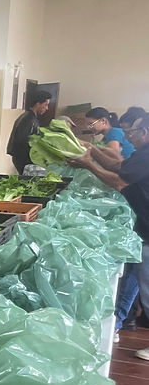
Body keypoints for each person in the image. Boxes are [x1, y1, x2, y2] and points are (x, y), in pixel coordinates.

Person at [68, 115, 149, 350]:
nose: (129, 137)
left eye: (133, 133)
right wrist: (92, 150)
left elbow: (118, 181)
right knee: (138, 276)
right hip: (144, 225)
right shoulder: (142, 154)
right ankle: (118, 321)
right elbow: (120, 166)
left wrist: (89, 164)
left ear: (145, 132)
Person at [6, 89, 52, 174]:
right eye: (45, 105)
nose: (47, 108)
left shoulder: (27, 116)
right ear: (38, 104)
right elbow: (24, 140)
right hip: (23, 158)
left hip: (20, 157)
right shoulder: (29, 119)